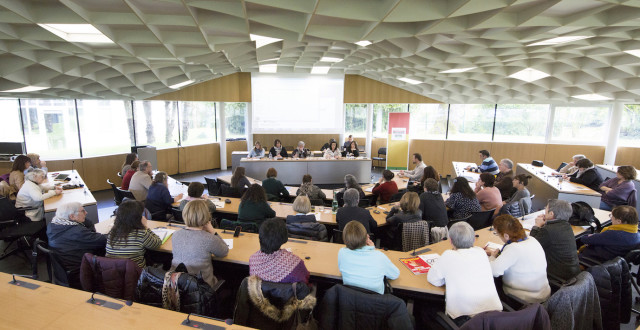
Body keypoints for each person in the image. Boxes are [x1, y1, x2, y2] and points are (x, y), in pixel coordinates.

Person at [427, 222, 502, 324]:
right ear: (474, 239)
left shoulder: (448, 255)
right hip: (495, 318)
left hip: (466, 321)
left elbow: (433, 279)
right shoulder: (481, 252)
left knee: (426, 310)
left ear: (451, 241)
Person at [485, 215, 551, 303]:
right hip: (544, 293)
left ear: (506, 236)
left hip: (524, 300)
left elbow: (494, 271)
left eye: (497, 234)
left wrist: (492, 257)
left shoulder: (513, 248)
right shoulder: (532, 240)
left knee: (491, 282)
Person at [171, 199, 229, 288]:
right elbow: (224, 251)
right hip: (202, 288)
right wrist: (213, 231)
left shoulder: (175, 234)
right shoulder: (209, 238)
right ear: (206, 216)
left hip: (177, 285)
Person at [47, 202, 106, 287]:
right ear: (72, 216)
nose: (86, 213)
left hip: (64, 271)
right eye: (83, 211)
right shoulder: (77, 232)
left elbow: (89, 229)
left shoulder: (52, 225)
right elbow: (103, 240)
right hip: (80, 271)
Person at [338, 221, 399, 294]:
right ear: (367, 237)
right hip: (375, 302)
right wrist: (373, 250)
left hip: (350, 300)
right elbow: (395, 275)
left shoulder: (342, 253)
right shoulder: (379, 256)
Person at [529, 199, 580, 282]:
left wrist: (537, 226)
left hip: (557, 276)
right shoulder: (567, 225)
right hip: (572, 273)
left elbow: (531, 245)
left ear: (551, 214)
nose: (544, 210)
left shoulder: (548, 230)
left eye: (546, 208)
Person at [249, 218, 310, 283]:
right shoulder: (295, 263)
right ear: (284, 237)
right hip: (291, 292)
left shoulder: (253, 260)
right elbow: (305, 279)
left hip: (258, 293)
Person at [106, 200, 162, 268]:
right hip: (136, 274)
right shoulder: (141, 233)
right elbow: (157, 243)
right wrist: (145, 227)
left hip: (114, 273)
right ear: (137, 218)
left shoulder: (112, 232)